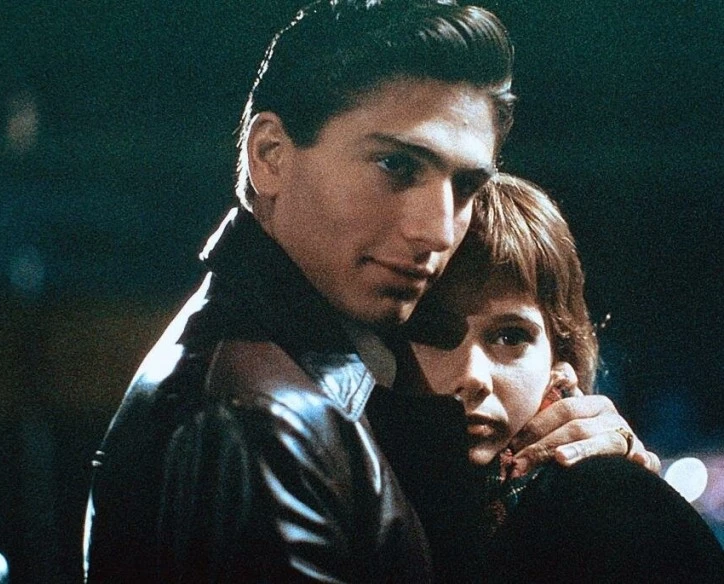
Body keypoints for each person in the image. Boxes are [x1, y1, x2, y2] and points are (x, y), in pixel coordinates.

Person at [83, 2, 658, 582]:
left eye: (465, 186)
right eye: (397, 165)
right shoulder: (265, 420)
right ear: (270, 155)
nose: (438, 231)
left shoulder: (313, 383)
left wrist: (587, 497)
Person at [367, 174, 724, 583]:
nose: (473, 376)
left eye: (510, 337)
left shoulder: (609, 505)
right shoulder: (345, 477)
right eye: (433, 331)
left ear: (560, 359)